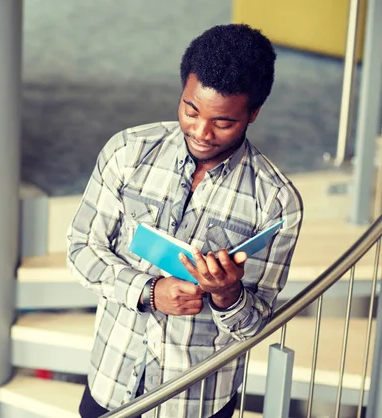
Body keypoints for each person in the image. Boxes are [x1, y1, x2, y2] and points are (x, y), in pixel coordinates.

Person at [66, 23, 304, 418]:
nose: (201, 131)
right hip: (112, 380)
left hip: (197, 402)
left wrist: (228, 295)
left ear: (253, 113)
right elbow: (80, 250)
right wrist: (149, 290)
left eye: (223, 122)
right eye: (190, 110)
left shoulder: (276, 202)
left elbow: (254, 326)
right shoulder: (127, 153)